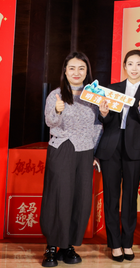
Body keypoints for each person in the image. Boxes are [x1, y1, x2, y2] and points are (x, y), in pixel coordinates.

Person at [41, 52, 103, 267]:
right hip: (62, 148)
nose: (77, 72)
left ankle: (68, 245)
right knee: (59, 196)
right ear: (65, 72)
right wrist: (57, 111)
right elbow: (50, 122)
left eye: (81, 68)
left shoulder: (94, 96)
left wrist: (94, 153)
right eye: (72, 68)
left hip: (85, 151)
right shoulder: (56, 95)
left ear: (87, 72)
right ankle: (51, 245)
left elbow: (98, 126)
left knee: (80, 198)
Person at [95, 49, 140, 262]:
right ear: (124, 66)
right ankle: (114, 244)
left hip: (135, 148)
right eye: (130, 64)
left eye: (138, 64)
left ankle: (127, 243)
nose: (134, 68)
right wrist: (103, 113)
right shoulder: (112, 89)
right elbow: (105, 119)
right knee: (111, 197)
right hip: (111, 147)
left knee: (130, 197)